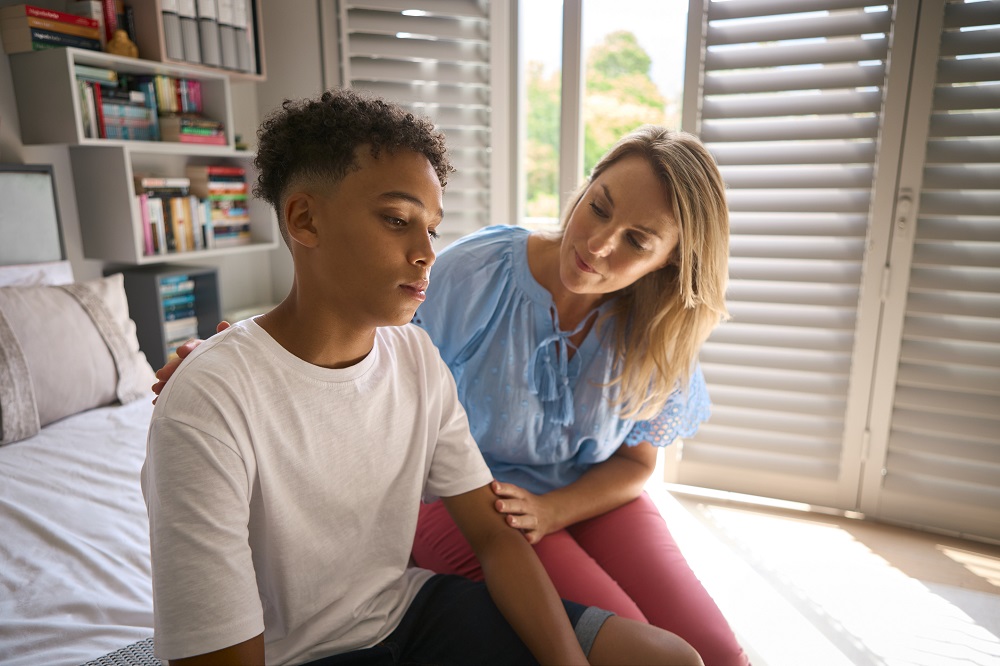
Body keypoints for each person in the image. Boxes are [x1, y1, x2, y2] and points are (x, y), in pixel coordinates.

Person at [142, 88, 703, 666]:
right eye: (396, 220)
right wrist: (220, 364)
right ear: (305, 219)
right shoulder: (210, 401)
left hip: (409, 609)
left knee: (676, 657)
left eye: (431, 229)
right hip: (311, 650)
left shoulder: (415, 358)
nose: (429, 254)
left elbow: (494, 537)